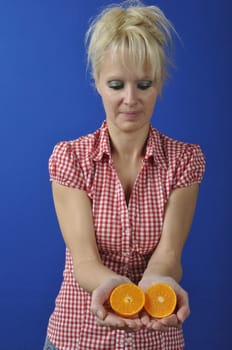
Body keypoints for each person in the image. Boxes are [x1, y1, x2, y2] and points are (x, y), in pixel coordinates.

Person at [43, 1, 205, 349]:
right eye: (116, 84)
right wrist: (118, 289)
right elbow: (85, 260)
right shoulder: (70, 158)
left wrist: (150, 288)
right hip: (78, 336)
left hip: (155, 336)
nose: (130, 99)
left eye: (143, 84)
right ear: (97, 84)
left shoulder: (185, 161)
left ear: (159, 85)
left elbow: (169, 255)